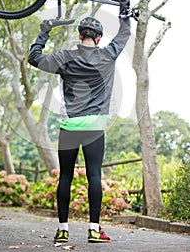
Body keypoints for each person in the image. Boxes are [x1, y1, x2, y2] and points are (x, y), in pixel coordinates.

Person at [28, 15, 130, 243]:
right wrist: (125, 4)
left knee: (65, 176)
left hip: (69, 126)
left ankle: (63, 230)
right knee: (94, 175)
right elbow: (125, 33)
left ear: (80, 35)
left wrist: (44, 31)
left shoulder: (65, 58)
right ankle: (94, 230)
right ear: (99, 38)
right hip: (95, 126)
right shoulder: (108, 55)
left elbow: (34, 58)